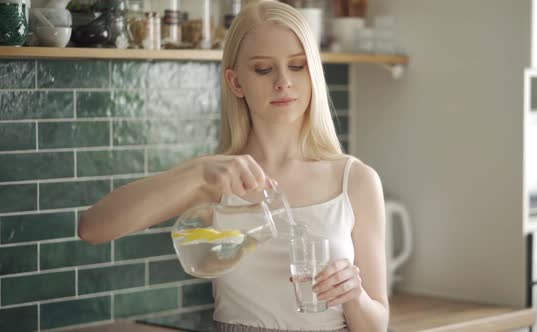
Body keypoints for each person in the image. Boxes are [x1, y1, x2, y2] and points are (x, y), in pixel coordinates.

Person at [78, 1, 388, 331]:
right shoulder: (217, 179)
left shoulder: (354, 180)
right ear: (236, 82)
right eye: (264, 69)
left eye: (297, 66)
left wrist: (354, 295)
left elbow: (376, 325)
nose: (283, 81)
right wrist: (197, 173)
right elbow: (94, 228)